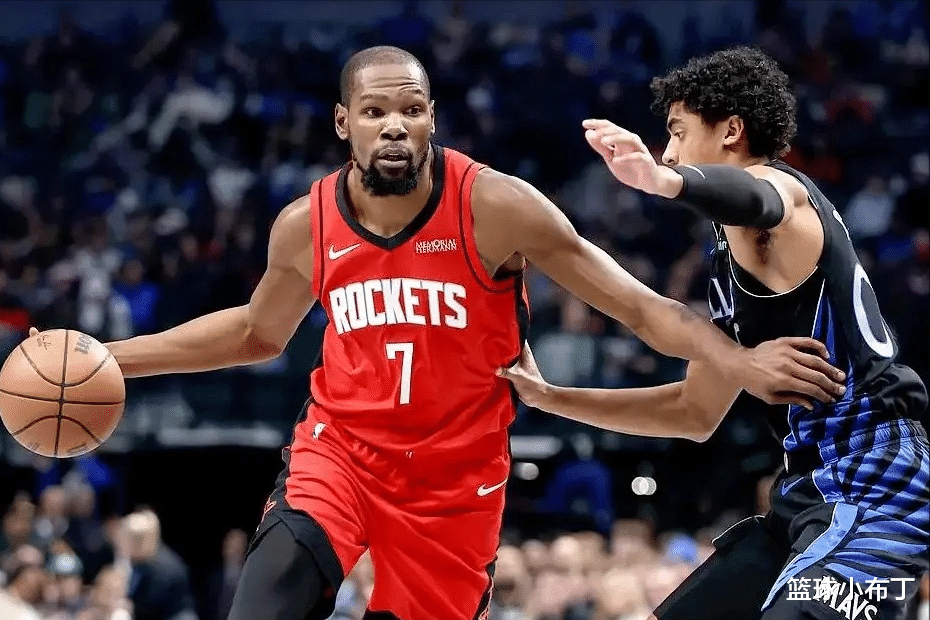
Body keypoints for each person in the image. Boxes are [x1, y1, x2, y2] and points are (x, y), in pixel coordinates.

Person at [30, 46, 844, 620]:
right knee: (268, 597)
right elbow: (255, 332)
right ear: (343, 123)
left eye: (411, 110)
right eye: (375, 111)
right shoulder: (305, 224)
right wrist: (110, 359)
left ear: (431, 120)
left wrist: (739, 362)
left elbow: (641, 309)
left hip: (456, 487)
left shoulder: (496, 205)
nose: (394, 125)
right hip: (341, 456)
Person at [500, 46, 929, 620]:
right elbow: (692, 412)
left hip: (878, 488)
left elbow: (760, 198)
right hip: (806, 497)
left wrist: (664, 181)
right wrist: (553, 398)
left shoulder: (783, 194)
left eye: (678, 132)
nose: (670, 151)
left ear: (731, 131)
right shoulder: (731, 264)